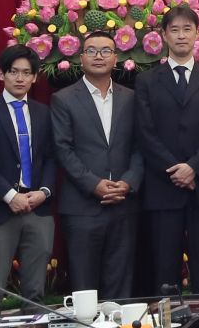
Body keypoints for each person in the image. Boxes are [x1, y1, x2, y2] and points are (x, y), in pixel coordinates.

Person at [135, 4, 199, 295]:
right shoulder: (147, 80)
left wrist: (194, 168)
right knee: (165, 270)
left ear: (197, 34)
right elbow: (145, 132)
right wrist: (176, 170)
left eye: (187, 29)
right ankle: (168, 322)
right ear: (163, 35)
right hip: (164, 187)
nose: (181, 36)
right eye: (174, 30)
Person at [0, 44, 56, 328]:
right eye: (13, 72)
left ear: (35, 77)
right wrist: (9, 195)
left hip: (38, 210)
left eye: (26, 73)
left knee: (35, 292)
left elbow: (52, 158)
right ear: (1, 74)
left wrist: (44, 191)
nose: (20, 78)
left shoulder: (43, 112)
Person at [51, 29, 143, 297]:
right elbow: (63, 149)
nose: (98, 56)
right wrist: (94, 184)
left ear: (116, 59)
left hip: (124, 206)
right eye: (91, 51)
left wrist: (128, 183)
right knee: (85, 288)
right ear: (81, 58)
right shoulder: (63, 99)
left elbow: (140, 147)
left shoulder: (131, 97)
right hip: (82, 208)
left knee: (120, 288)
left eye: (105, 51)